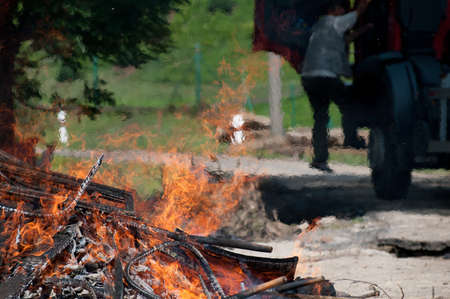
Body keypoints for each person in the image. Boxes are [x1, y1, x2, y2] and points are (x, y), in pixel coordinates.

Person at [301, 0, 372, 172]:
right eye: (342, 8)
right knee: (348, 104)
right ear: (334, 10)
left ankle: (320, 159)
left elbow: (344, 40)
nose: (344, 12)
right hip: (326, 76)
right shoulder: (335, 21)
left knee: (320, 118)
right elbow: (358, 13)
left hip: (309, 77)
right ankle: (351, 139)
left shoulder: (319, 27)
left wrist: (363, 30)